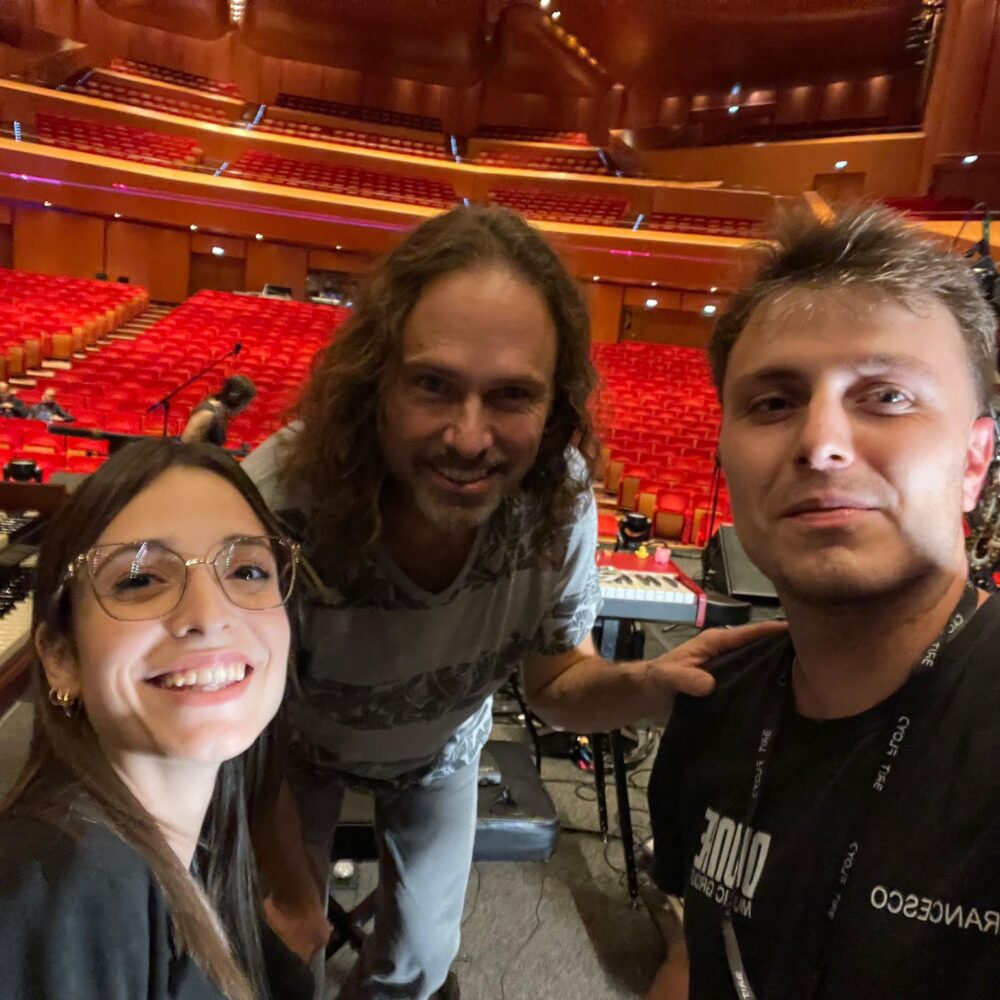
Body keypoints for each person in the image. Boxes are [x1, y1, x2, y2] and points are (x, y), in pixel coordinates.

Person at [243, 204, 780, 1000]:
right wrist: (292, 891)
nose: (468, 438)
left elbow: (555, 682)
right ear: (375, 382)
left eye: (511, 396)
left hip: (441, 750)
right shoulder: (279, 503)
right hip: (284, 754)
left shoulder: (557, 499)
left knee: (420, 962)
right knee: (274, 960)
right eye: (433, 385)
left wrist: (646, 686)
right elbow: (239, 729)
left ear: (554, 405)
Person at [647, 205, 1000, 1000]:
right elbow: (693, 961)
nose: (820, 443)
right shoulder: (711, 700)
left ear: (975, 462)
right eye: (774, 403)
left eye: (887, 396)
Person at [0, 439, 311, 1000]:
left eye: (247, 570)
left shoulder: (193, 848)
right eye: (139, 580)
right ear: (61, 657)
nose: (210, 615)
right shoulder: (60, 895)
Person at [182, 374, 257, 446]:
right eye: (246, 404)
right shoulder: (207, 413)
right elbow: (186, 443)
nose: (246, 408)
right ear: (239, 401)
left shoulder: (221, 411)